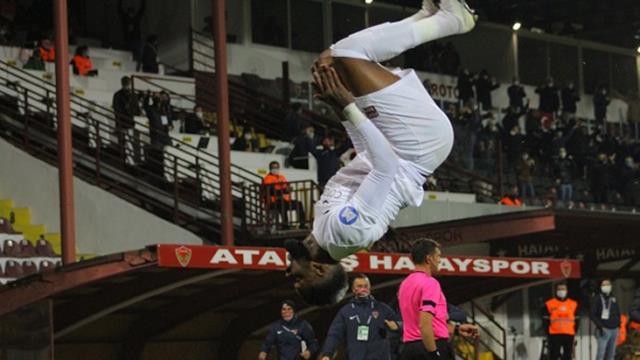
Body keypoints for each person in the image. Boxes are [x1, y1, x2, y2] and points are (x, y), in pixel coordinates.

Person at [284, 0, 476, 306]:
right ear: (319, 270)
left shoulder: (324, 233)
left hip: (402, 145)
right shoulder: (344, 234)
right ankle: (451, 22)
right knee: (345, 56)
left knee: (326, 65)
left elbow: (367, 157)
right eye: (297, 278)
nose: (288, 272)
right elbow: (384, 165)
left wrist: (342, 110)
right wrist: (348, 104)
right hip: (417, 145)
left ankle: (427, 17)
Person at [398, 239, 478, 359]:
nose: (440, 260)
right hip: (430, 346)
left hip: (409, 349)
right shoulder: (430, 283)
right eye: (438, 256)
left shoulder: (404, 284)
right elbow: (424, 325)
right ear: (429, 259)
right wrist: (434, 354)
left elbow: (418, 324)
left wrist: (456, 329)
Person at [319, 274, 402, 360]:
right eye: (359, 286)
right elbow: (334, 334)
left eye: (366, 286)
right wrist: (327, 354)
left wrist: (398, 326)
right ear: (353, 289)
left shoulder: (382, 308)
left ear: (370, 287)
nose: (363, 289)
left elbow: (403, 325)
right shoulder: (346, 311)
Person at [262, 161, 306, 229]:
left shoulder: (282, 177)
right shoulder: (267, 179)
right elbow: (271, 192)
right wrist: (284, 191)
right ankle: (285, 225)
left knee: (299, 204)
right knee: (282, 204)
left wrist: (289, 189)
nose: (275, 169)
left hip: (285, 199)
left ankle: (302, 224)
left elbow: (286, 187)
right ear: (270, 168)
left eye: (277, 167)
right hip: (273, 201)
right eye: (273, 167)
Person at [543, 283, 578, 360]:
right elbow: (545, 321)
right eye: (559, 289)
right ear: (556, 291)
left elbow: (577, 319)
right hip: (554, 334)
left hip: (569, 334)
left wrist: (575, 331)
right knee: (554, 356)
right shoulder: (549, 303)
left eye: (563, 289)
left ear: (567, 291)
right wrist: (547, 333)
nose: (561, 291)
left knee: (568, 356)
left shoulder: (573, 304)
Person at [591, 278, 621, 360]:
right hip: (604, 330)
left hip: (614, 329)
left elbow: (618, 312)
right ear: (600, 287)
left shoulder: (613, 298)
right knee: (601, 354)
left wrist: (619, 325)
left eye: (608, 284)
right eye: (604, 285)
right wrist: (601, 326)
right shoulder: (597, 298)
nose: (606, 286)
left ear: (611, 286)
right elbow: (592, 315)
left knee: (611, 354)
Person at [112, 76, 141, 156]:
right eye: (126, 83)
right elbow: (117, 109)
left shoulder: (133, 95)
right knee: (122, 142)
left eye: (128, 83)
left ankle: (130, 155)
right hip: (122, 122)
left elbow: (137, 109)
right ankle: (122, 155)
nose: (127, 85)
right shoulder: (118, 95)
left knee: (131, 142)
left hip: (132, 122)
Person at [118, 0, 145, 69]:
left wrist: (143, 2)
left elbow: (142, 10)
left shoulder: (136, 19)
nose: (131, 14)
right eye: (130, 13)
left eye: (132, 13)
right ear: (128, 13)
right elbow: (120, 11)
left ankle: (138, 66)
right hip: (128, 41)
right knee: (129, 55)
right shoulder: (125, 19)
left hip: (136, 40)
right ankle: (130, 67)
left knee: (138, 54)